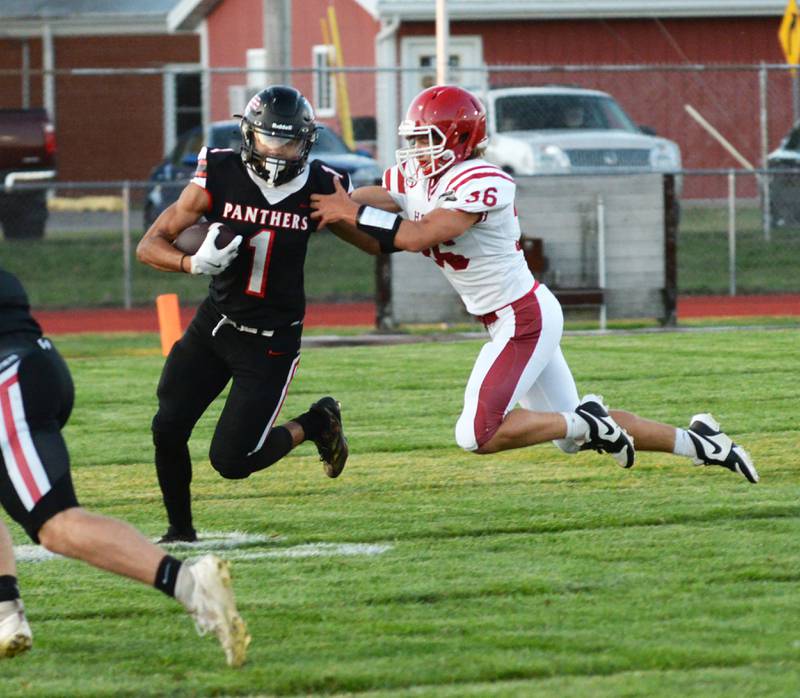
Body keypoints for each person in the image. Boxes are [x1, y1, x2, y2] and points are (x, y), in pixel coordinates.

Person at [309, 84, 758, 484]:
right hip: (510, 317)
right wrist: (323, 210)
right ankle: (703, 442)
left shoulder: (482, 180)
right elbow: (369, 234)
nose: (415, 151)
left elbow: (414, 236)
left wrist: (347, 211)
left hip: (522, 317)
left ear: (461, 139)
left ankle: (590, 421)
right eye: (413, 140)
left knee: (476, 434)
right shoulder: (416, 178)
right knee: (569, 436)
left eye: (426, 140)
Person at [0, 267, 249, 665]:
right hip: (32, 364)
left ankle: (191, 584)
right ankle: (5, 612)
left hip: (10, 381)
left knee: (57, 525)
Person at [136, 85, 351, 544]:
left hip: (271, 341)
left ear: (306, 141)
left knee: (232, 462)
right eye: (269, 140)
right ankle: (180, 530)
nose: (277, 152)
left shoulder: (321, 186)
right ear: (248, 136)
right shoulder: (218, 171)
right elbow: (149, 244)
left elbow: (374, 240)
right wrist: (189, 263)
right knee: (167, 425)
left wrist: (400, 220)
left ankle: (316, 422)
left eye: (289, 141)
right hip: (217, 323)